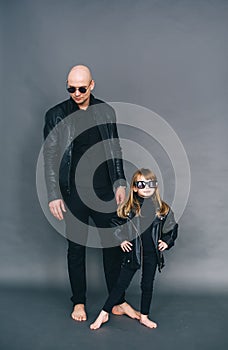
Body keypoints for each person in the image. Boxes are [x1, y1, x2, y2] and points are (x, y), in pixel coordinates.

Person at [43, 65, 139, 322]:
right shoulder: (56, 115)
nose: (76, 93)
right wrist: (53, 193)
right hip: (74, 193)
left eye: (81, 88)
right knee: (76, 248)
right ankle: (79, 302)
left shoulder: (105, 111)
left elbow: (114, 148)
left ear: (92, 85)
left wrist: (119, 182)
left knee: (114, 247)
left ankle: (117, 302)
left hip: (105, 192)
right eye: (71, 88)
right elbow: (50, 157)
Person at [90, 168, 178, 330]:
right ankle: (103, 313)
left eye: (151, 183)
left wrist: (167, 241)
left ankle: (144, 316)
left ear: (156, 186)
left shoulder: (162, 209)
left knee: (147, 285)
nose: (147, 187)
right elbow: (115, 225)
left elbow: (172, 227)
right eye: (142, 184)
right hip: (133, 254)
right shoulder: (129, 208)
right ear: (135, 187)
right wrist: (121, 239)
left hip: (152, 255)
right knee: (120, 285)